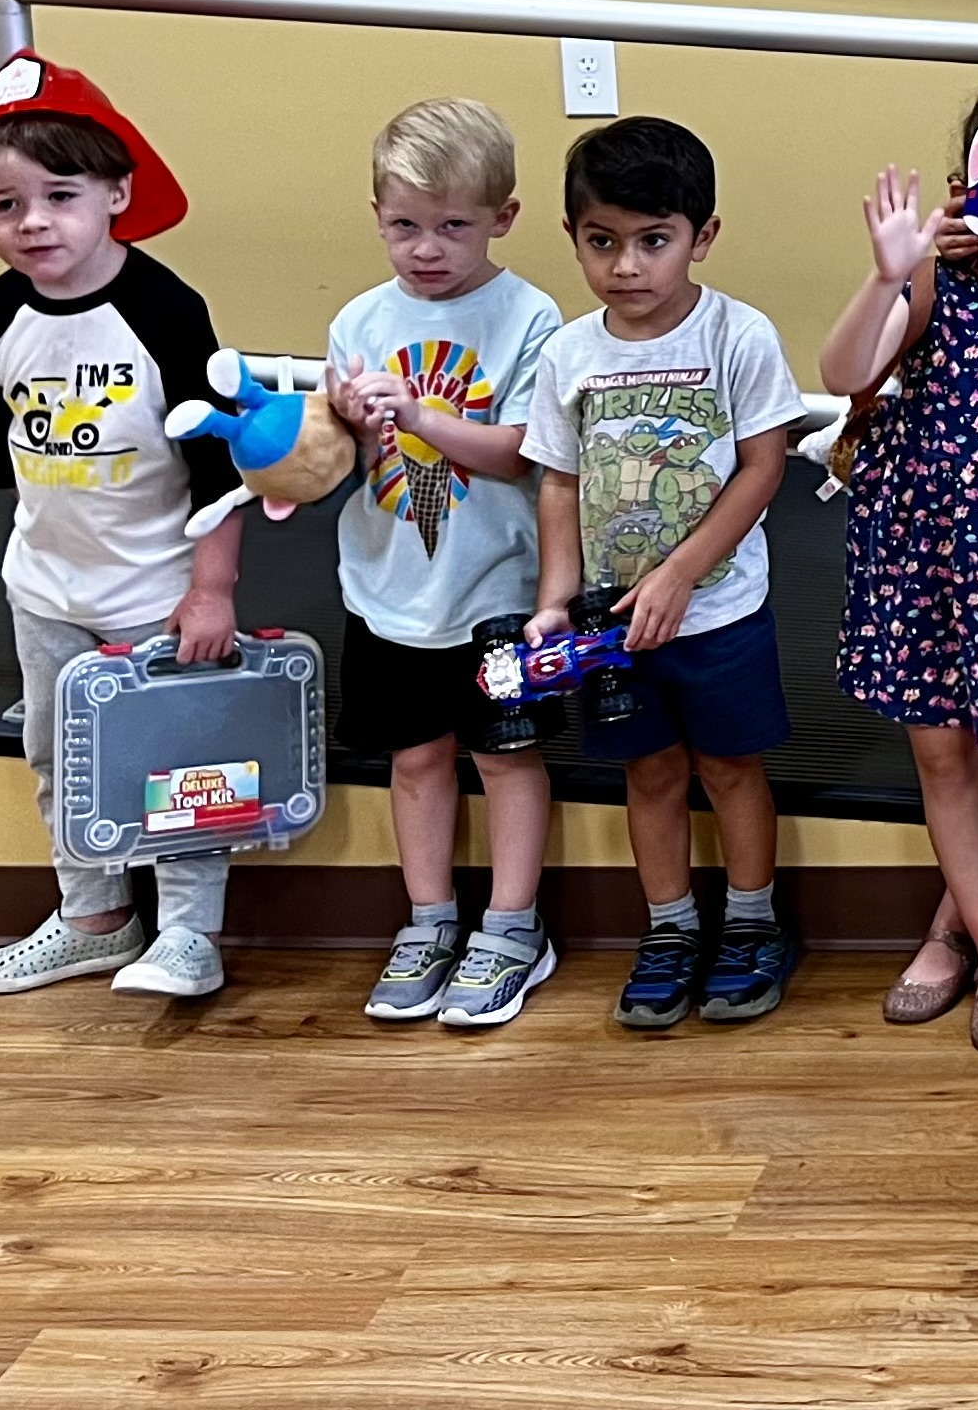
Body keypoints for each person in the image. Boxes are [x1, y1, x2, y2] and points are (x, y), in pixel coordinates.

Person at [0, 52, 244, 1002]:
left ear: (117, 193)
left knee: (181, 765)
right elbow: (14, 469)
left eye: (60, 195)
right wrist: (48, 582)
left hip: (160, 594)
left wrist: (212, 591)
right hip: (45, 593)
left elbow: (222, 472)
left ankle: (190, 933)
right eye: (5, 204)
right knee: (57, 756)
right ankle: (94, 919)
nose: (33, 221)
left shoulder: (166, 312)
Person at [817, 72, 978, 1057]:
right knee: (942, 753)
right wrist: (887, 274)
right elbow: (844, 372)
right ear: (968, 189)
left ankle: (950, 926)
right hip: (917, 556)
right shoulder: (939, 282)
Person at [523, 116, 807, 1029]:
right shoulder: (568, 354)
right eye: (602, 242)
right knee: (648, 774)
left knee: (729, 768)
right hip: (613, 629)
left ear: (702, 236)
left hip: (720, 615)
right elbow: (558, 480)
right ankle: (671, 928)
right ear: (573, 238)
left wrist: (683, 571)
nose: (627, 266)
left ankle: (754, 922)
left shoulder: (738, 334)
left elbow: (763, 466)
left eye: (654, 241)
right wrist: (555, 600)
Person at [324, 99, 564, 1027]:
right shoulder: (358, 320)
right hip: (388, 588)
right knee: (415, 757)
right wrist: (345, 427)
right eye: (404, 227)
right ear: (376, 218)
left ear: (503, 217)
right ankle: (428, 920)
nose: (427, 248)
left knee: (506, 757)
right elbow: (336, 459)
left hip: (498, 592)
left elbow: (527, 451)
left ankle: (512, 927)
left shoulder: (530, 315)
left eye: (454, 226)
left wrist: (421, 415)